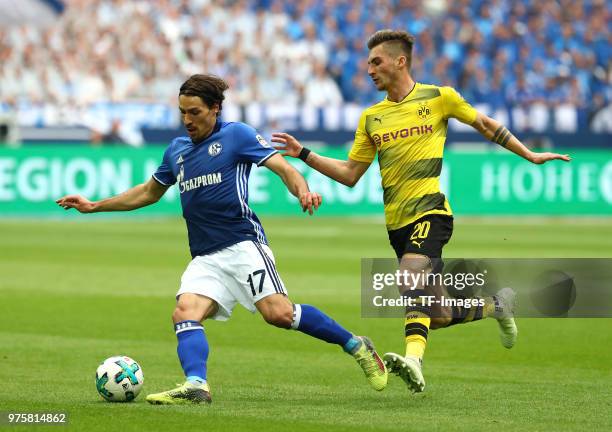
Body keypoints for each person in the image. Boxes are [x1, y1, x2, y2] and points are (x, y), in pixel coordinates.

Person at [56, 74, 388, 404]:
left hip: (243, 244)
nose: (187, 120)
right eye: (182, 112)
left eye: (195, 112)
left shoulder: (236, 135)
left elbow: (284, 168)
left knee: (279, 315)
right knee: (184, 311)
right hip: (205, 256)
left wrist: (303, 191)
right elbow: (148, 192)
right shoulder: (177, 151)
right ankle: (196, 385)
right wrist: (94, 206)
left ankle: (357, 345)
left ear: (215, 109)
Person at [271, 30, 571, 393]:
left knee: (408, 275)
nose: (369, 70)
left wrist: (531, 155)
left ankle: (413, 360)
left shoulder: (439, 97)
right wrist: (304, 154)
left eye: (376, 62)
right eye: (368, 63)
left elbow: (485, 124)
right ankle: (496, 305)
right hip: (397, 225)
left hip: (432, 212)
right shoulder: (371, 117)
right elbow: (350, 175)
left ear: (400, 61)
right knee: (439, 315)